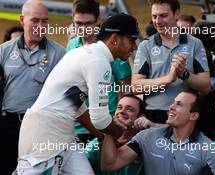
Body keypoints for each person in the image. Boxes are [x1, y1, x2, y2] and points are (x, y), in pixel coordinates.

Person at [13, 13, 139, 175]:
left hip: (62, 133)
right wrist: (119, 133)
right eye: (131, 40)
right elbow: (100, 119)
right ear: (115, 39)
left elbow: (74, 103)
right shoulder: (99, 62)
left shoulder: (82, 53)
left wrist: (102, 135)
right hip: (46, 133)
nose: (134, 47)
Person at [0, 0, 66, 174]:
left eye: (44, 21)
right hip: (8, 125)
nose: (40, 26)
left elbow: (68, 94)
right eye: (35, 20)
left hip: (40, 128)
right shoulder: (3, 51)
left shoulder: (60, 53)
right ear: (22, 20)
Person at [101, 90, 215, 175]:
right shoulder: (148, 136)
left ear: (193, 115)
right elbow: (110, 165)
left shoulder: (208, 149)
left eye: (178, 104)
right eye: (173, 102)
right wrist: (109, 131)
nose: (171, 107)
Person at [132, 0, 210, 123]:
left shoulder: (194, 43)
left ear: (177, 14)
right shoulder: (145, 45)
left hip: (186, 115)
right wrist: (168, 79)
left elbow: (206, 86)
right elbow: (135, 86)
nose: (157, 21)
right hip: (154, 115)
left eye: (163, 16)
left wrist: (184, 74)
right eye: (154, 16)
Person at [67, 0, 132, 144]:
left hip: (107, 124)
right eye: (78, 24)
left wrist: (118, 123)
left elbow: (125, 89)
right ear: (73, 19)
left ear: (98, 20)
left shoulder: (113, 46)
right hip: (78, 125)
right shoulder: (72, 44)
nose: (83, 29)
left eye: (88, 24)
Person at [86, 94, 146, 175]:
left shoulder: (145, 144)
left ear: (140, 117)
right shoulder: (99, 141)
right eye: (119, 107)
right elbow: (78, 166)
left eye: (129, 109)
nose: (121, 111)